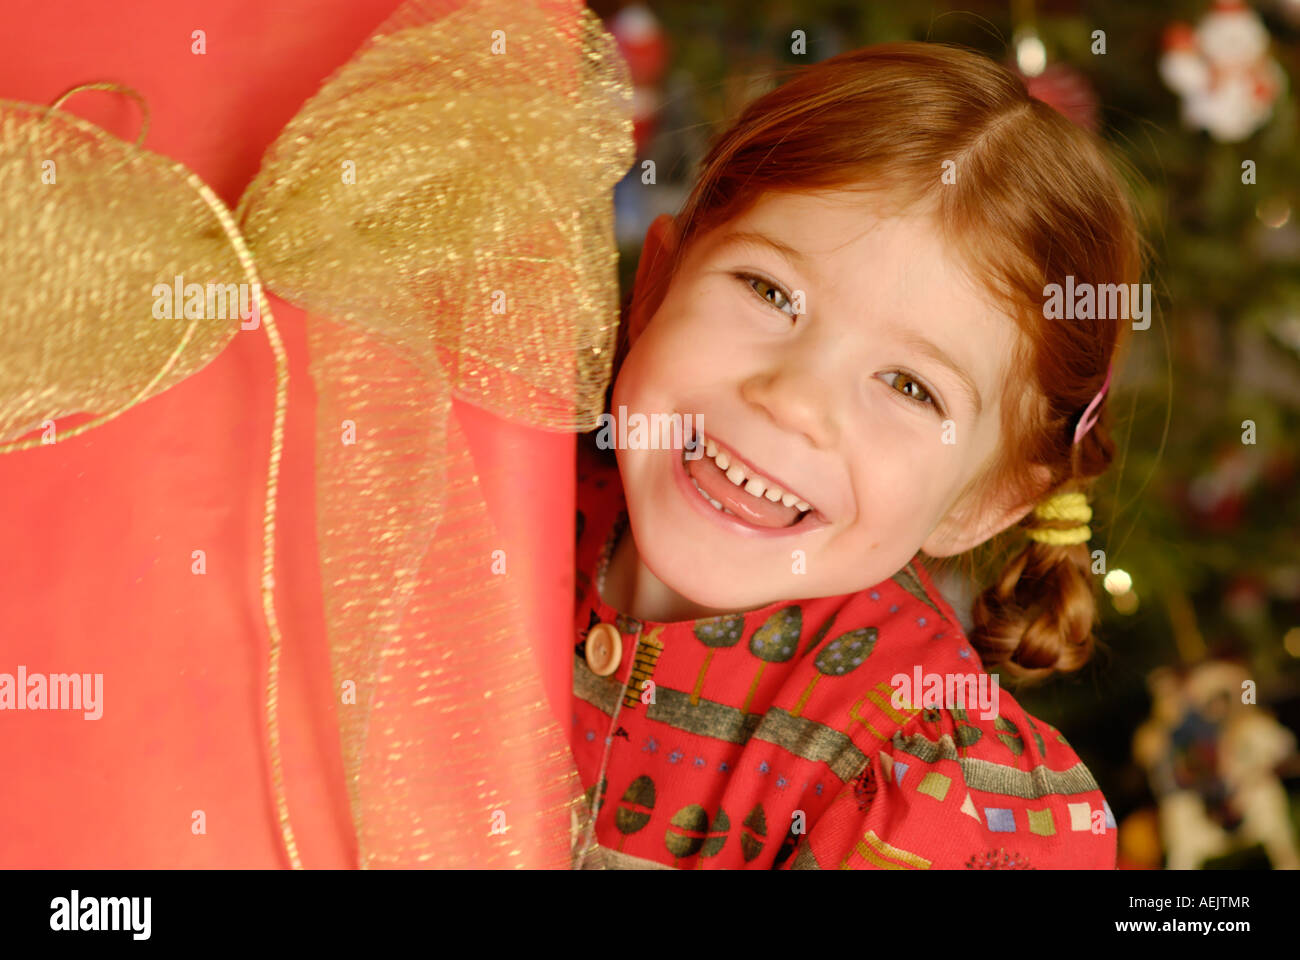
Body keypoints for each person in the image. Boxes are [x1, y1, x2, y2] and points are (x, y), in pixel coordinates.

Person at [570, 42, 1139, 869]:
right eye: (769, 291)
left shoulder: (925, 793)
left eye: (910, 386)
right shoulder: (465, 492)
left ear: (983, 501)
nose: (796, 399)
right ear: (655, 286)